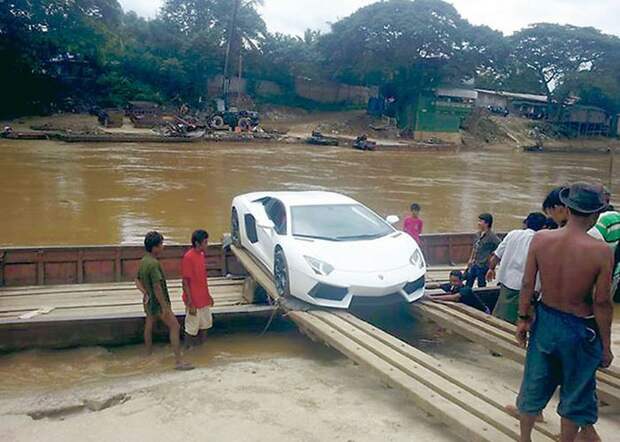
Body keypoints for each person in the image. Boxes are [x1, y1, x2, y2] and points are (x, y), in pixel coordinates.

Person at [515, 183, 614, 442]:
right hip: (579, 329)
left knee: (534, 383)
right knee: (576, 391)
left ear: (567, 209)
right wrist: (606, 346)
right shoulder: (602, 251)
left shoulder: (541, 239)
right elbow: (602, 302)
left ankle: (525, 438)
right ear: (594, 215)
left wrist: (523, 319)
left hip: (545, 321)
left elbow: (527, 283)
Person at [136, 231, 193, 371]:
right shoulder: (154, 264)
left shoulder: (143, 261)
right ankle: (178, 362)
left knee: (148, 326)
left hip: (148, 302)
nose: (163, 247)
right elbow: (157, 287)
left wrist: (145, 293)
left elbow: (137, 280)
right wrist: (165, 308)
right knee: (175, 327)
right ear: (154, 247)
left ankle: (148, 355)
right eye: (161, 244)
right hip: (158, 303)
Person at [486, 212, 547, 324]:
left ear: (526, 223)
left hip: (506, 282)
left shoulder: (513, 234)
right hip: (527, 288)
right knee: (520, 320)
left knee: (501, 315)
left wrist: (491, 269)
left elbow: (496, 256)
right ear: (544, 227)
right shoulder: (542, 241)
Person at [182, 229, 214, 347]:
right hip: (194, 300)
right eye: (205, 242)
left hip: (203, 298)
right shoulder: (188, 257)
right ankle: (188, 349)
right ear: (197, 243)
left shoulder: (201, 255)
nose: (207, 245)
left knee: (205, 325)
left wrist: (208, 295)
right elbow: (185, 282)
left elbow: (202, 278)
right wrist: (190, 302)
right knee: (191, 328)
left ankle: (202, 348)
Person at [465, 213, 500, 288]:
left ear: (487, 223)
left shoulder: (492, 236)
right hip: (474, 263)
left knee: (481, 284)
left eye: (481, 221)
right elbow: (474, 247)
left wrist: (492, 257)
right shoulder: (478, 234)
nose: (479, 223)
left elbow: (501, 246)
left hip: (483, 265)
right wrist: (470, 259)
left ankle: (481, 297)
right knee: (469, 281)